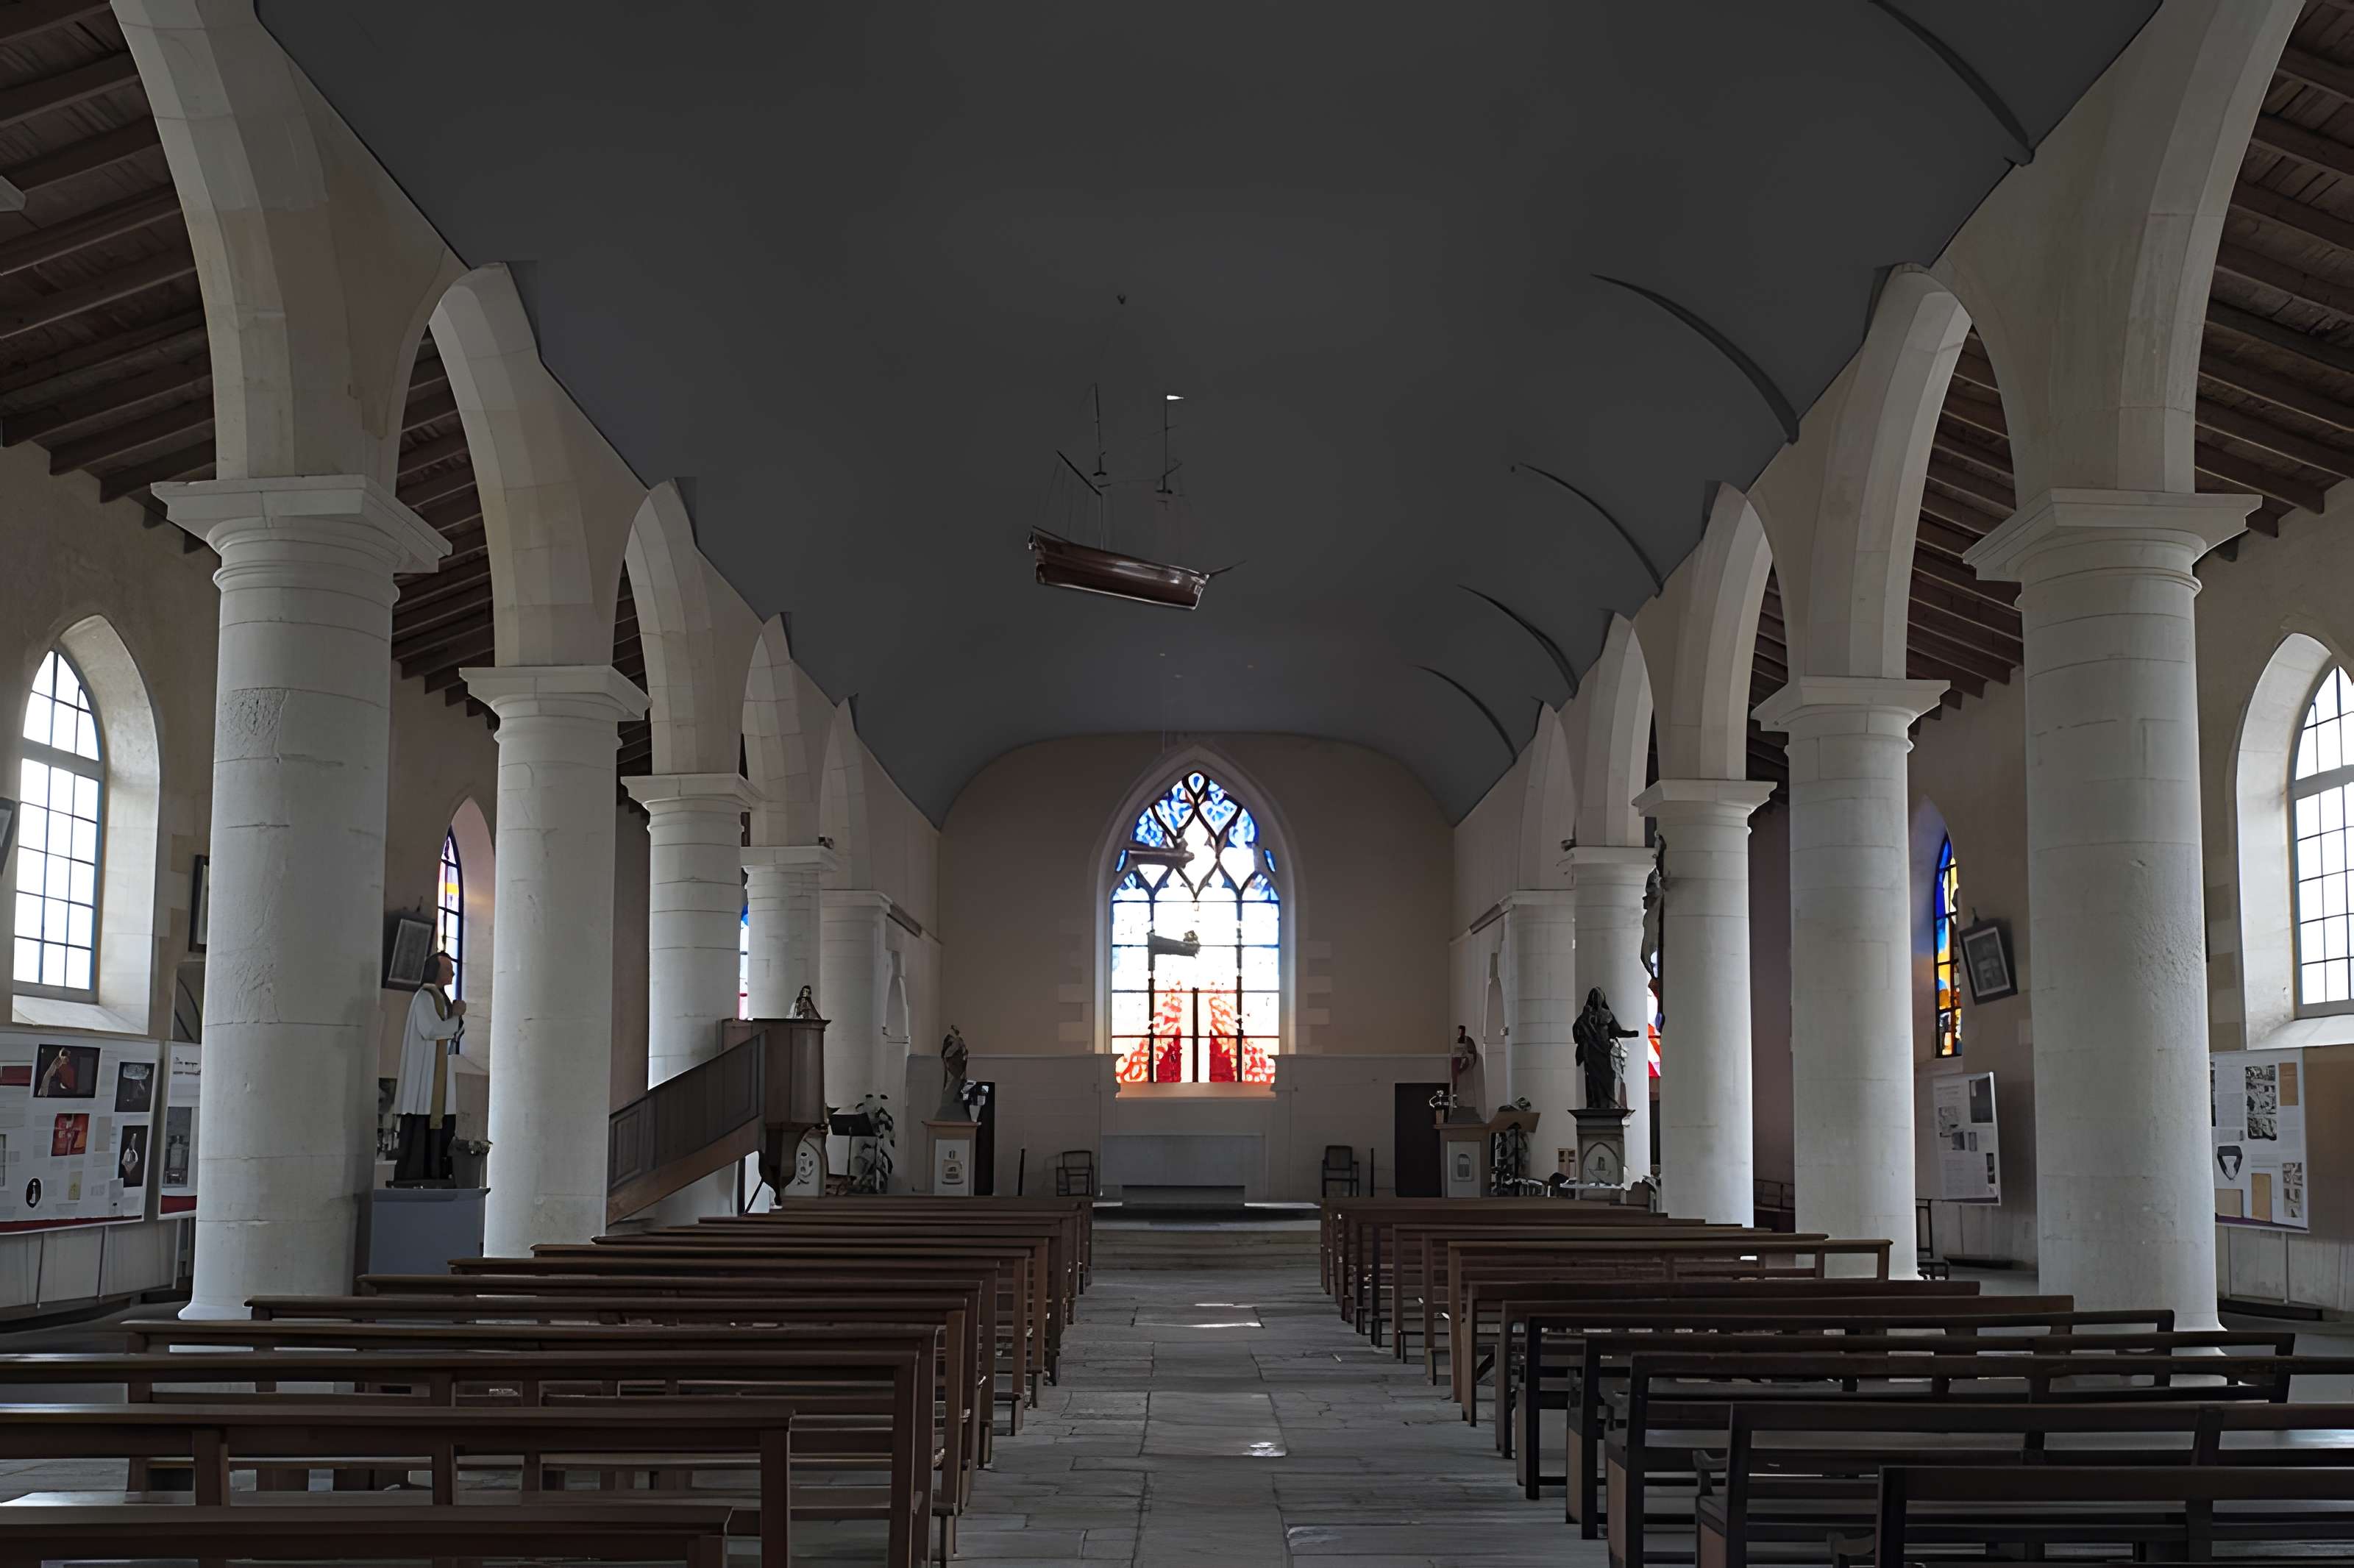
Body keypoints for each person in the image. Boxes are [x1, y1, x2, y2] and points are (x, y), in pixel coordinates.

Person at [393, 951, 466, 1183]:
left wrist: (456, 1020)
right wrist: (455, 1017)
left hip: (437, 1075)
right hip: (424, 1079)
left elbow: (450, 1033)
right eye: (447, 968)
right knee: (421, 1128)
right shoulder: (424, 998)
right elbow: (431, 1030)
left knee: (439, 1128)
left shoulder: (440, 998)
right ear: (434, 971)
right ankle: (418, 1176)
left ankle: (436, 1174)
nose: (452, 972)